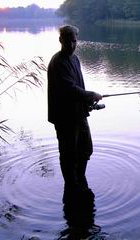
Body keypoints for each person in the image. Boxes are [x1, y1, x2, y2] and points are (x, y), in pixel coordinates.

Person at [47, 25, 102, 192]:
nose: (72, 45)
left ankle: (80, 180)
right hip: (65, 118)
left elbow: (78, 87)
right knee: (69, 154)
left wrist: (87, 102)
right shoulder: (58, 62)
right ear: (60, 40)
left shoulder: (75, 59)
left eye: (74, 41)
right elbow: (69, 89)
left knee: (86, 149)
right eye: (68, 41)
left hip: (79, 114)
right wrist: (90, 94)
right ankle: (71, 185)